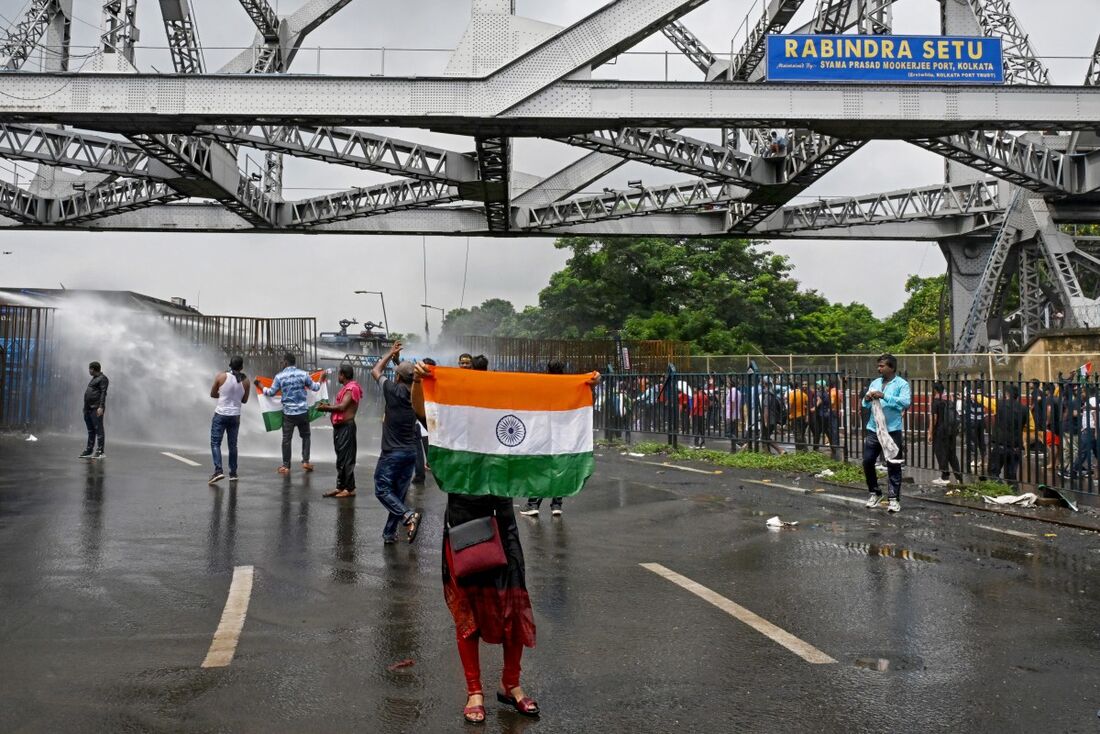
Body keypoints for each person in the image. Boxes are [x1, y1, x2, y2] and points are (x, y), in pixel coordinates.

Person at [411, 360, 599, 725]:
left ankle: (511, 685)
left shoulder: (505, 415)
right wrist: (420, 381)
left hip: (503, 520)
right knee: (470, 612)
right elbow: (422, 409)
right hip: (464, 520)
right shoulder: (452, 418)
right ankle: (474, 691)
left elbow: (545, 415)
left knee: (513, 605)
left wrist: (581, 387)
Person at [370, 341, 422, 544]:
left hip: (392, 452)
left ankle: (408, 516)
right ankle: (390, 534)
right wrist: (398, 361)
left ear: (397, 377)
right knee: (398, 495)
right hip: (410, 452)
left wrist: (390, 353)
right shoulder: (416, 394)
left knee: (381, 488)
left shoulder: (392, 390)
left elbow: (376, 370)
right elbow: (408, 377)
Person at [255, 352, 325, 475]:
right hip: (303, 412)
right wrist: (321, 378)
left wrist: (259, 384)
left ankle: (286, 466)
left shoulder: (279, 377)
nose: (282, 363)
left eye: (283, 361)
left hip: (288, 414)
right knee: (306, 436)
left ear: (286, 362)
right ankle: (305, 461)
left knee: (286, 439)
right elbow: (315, 387)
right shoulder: (303, 374)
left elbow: (271, 392)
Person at [861, 354, 911, 513]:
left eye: (882, 366)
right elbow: (864, 404)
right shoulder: (875, 382)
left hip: (892, 429)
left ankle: (894, 499)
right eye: (878, 366)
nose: (879, 368)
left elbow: (905, 402)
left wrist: (885, 396)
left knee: (893, 464)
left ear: (891, 367)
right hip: (874, 428)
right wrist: (867, 398)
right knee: (868, 461)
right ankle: (875, 492)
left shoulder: (902, 384)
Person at [521, 360, 568, 517]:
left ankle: (533, 504)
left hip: (544, 432)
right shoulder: (569, 386)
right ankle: (557, 505)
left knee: (540, 469)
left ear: (548, 369)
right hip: (562, 433)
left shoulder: (542, 384)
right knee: (558, 469)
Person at [316, 364, 362, 499]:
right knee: (341, 459)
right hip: (340, 428)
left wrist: (326, 408)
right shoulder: (346, 388)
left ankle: (348, 489)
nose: (338, 377)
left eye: (339, 374)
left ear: (343, 375)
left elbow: (342, 407)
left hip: (346, 428)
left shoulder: (351, 388)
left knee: (346, 459)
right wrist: (328, 407)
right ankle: (341, 487)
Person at [208, 356, 249, 485]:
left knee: (215, 443)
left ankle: (218, 470)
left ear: (230, 365)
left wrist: (224, 395)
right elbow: (244, 400)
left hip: (221, 413)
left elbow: (212, 394)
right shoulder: (246, 381)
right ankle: (233, 473)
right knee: (233, 445)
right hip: (235, 415)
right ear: (242, 367)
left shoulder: (221, 377)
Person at [987, 384, 1029, 486]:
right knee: (1012, 475)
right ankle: (1013, 494)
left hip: (1001, 444)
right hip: (1016, 446)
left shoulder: (999, 404)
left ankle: (1001, 491)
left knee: (993, 472)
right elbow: (1026, 425)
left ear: (1006, 394)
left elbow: (983, 400)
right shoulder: (1024, 409)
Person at [928, 381, 962, 486]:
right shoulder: (948, 401)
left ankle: (945, 476)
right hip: (951, 431)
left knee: (941, 453)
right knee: (952, 454)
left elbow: (934, 419)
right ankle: (959, 478)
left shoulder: (936, 402)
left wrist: (930, 433)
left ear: (934, 390)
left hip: (940, 431)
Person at [413, 358, 437, 484]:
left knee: (428, 447)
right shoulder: (416, 383)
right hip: (420, 421)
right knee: (418, 448)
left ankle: (425, 469)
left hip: (431, 422)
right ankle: (419, 474)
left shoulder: (437, 384)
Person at [80, 361, 109, 459]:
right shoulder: (94, 379)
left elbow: (103, 393)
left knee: (98, 429)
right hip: (88, 408)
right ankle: (89, 450)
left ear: (93, 369)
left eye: (90, 368)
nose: (89, 370)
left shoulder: (103, 379)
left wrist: (101, 406)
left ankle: (100, 451)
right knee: (90, 430)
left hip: (96, 408)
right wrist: (85, 408)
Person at [1070, 384, 1099, 482]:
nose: (1081, 393)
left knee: (1083, 452)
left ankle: (1073, 470)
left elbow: (1095, 415)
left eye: (1082, 391)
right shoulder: (1091, 401)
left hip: (1092, 430)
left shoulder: (1092, 400)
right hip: (1090, 429)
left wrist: (1096, 431)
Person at [759, 377, 785, 455]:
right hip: (773, 419)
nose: (761, 384)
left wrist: (765, 421)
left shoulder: (766, 395)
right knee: (765, 437)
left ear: (765, 384)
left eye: (762, 382)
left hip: (768, 419)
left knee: (765, 437)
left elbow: (766, 409)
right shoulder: (773, 395)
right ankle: (767, 453)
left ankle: (780, 450)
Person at [788, 380, 808, 451]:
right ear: (798, 386)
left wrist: (789, 414)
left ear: (791, 388)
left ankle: (799, 450)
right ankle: (805, 449)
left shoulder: (791, 394)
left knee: (797, 434)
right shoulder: (803, 394)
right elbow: (807, 405)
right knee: (802, 433)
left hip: (794, 416)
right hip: (802, 415)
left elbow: (790, 405)